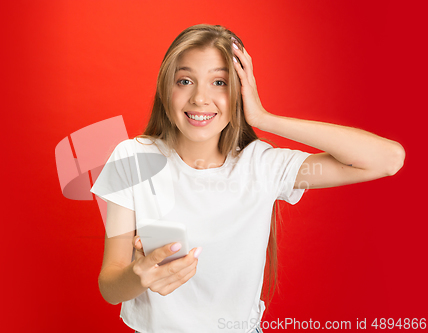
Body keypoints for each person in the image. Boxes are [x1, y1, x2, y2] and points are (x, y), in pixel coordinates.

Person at [90, 24, 405, 333]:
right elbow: (110, 285)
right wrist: (139, 274)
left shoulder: (263, 167)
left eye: (220, 83)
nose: (200, 98)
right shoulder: (131, 158)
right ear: (165, 89)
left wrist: (263, 118)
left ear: (241, 91)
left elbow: (387, 160)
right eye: (185, 80)